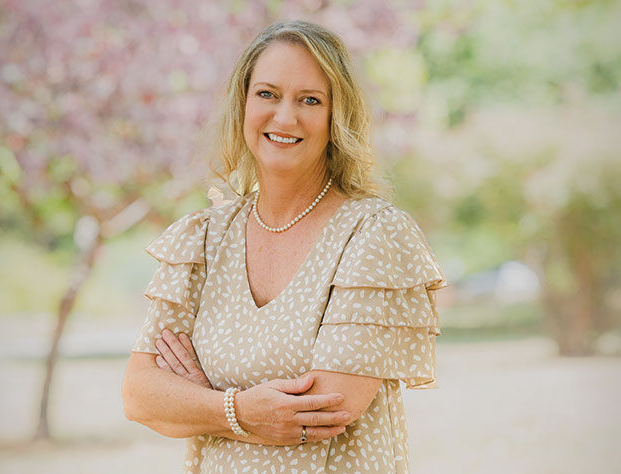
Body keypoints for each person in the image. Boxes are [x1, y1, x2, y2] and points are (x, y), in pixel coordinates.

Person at [122, 20, 447, 474]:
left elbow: (328, 407)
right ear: (243, 105)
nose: (285, 117)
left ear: (337, 119)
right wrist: (235, 409)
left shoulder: (373, 234)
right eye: (267, 94)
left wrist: (203, 399)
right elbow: (140, 394)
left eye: (309, 100)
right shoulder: (203, 239)